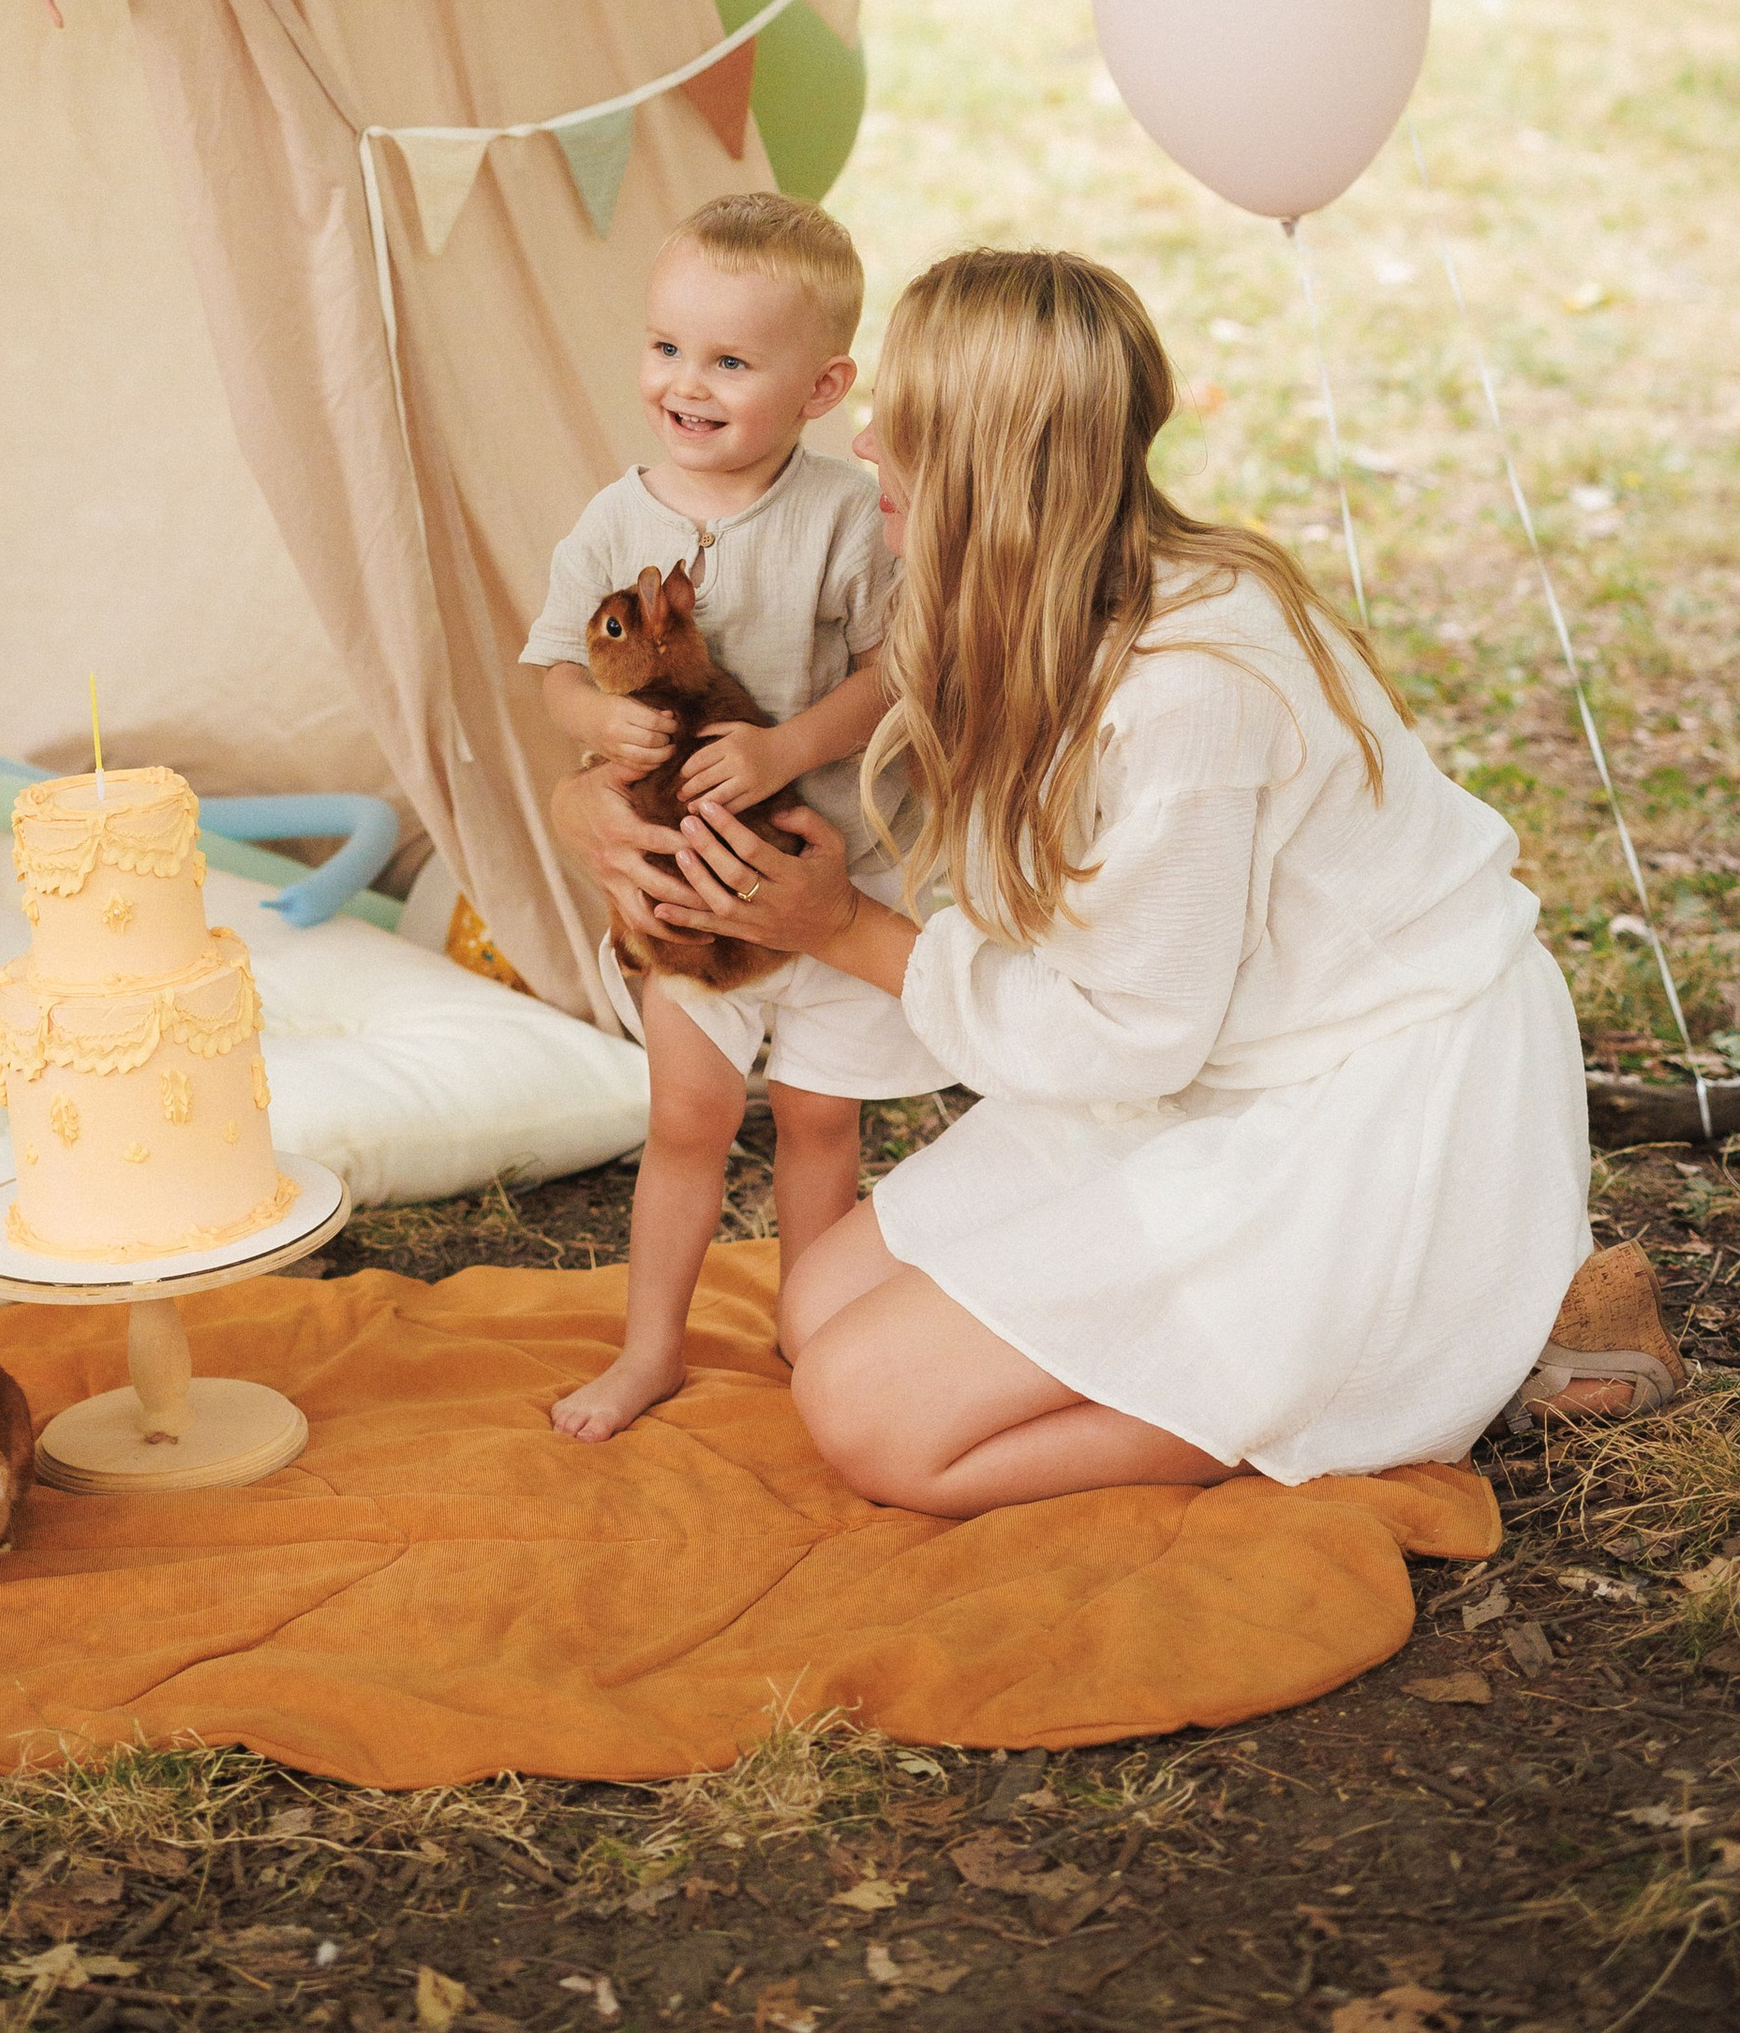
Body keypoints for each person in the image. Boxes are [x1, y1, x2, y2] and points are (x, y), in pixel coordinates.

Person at [550, 245, 1596, 1514]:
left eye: (908, 425)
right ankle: (1256, 1352)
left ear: (995, 463)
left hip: (1356, 1098)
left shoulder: (1196, 681)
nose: (867, 443)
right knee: (815, 1301)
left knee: (868, 1418)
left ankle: (1357, 1384)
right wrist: (590, 805)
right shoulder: (1010, 605)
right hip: (1197, 1058)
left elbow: (1131, 1034)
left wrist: (837, 930)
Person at [526, 193, 943, 1443]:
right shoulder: (615, 516)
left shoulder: (837, 515)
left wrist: (788, 746)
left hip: (827, 886)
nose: (684, 383)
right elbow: (555, 666)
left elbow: (896, 672)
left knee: (819, 1123)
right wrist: (596, 730)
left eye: (728, 361)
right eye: (666, 347)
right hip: (688, 903)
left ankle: (807, 1328)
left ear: (821, 389)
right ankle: (651, 1344)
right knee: (685, 1120)